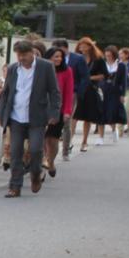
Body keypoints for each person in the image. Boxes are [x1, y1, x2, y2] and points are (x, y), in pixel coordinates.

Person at [0, 39, 61, 197]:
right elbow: (6, 93)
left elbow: (54, 92)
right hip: (16, 117)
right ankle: (15, 186)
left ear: (32, 53)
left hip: (37, 117)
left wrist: (54, 113)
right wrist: (0, 114)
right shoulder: (13, 69)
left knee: (36, 150)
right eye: (19, 55)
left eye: (24, 55)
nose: (21, 58)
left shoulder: (45, 67)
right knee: (15, 152)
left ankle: (36, 174)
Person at [43, 44, 76, 178]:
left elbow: (69, 92)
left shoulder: (67, 71)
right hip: (43, 109)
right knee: (42, 138)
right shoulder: (42, 69)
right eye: (56, 56)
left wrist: (67, 111)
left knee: (53, 140)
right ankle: (43, 162)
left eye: (60, 57)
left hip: (58, 110)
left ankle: (50, 161)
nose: (59, 59)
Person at [74, 37, 109, 148]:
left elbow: (104, 75)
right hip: (77, 90)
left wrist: (89, 78)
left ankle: (84, 141)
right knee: (73, 116)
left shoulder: (98, 60)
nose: (82, 48)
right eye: (80, 46)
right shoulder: (77, 59)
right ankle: (68, 140)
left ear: (90, 47)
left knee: (87, 117)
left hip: (91, 90)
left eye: (84, 46)